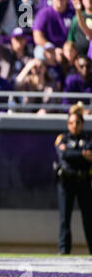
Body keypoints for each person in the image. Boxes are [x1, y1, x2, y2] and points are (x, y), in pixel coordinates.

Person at [54, 104, 92, 254]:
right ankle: (64, 250)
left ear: (82, 123)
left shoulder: (88, 139)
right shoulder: (62, 138)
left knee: (89, 218)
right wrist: (82, 155)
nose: (74, 126)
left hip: (83, 181)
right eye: (71, 122)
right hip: (66, 181)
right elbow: (63, 155)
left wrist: (72, 153)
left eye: (77, 122)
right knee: (65, 218)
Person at [0, 15, 32, 84]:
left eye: (21, 39)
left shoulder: (29, 55)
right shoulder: (7, 52)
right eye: (16, 39)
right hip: (6, 87)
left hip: (22, 88)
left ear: (25, 40)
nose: (19, 42)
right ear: (12, 40)